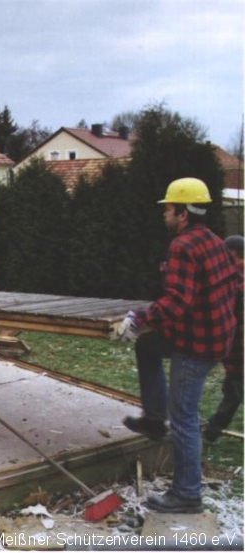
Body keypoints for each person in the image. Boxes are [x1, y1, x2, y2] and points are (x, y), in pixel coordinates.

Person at [115, 177, 238, 514]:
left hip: (197, 343)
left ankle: (187, 494)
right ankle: (154, 420)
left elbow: (178, 301)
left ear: (183, 213)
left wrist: (138, 318)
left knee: (184, 416)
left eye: (168, 208)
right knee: (148, 347)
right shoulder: (213, 240)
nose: (164, 213)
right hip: (214, 333)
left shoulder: (183, 246)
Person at [203, 235, 243, 443]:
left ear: (232, 253)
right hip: (237, 348)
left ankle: (212, 431)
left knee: (235, 390)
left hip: (238, 348)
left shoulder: (234, 280)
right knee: (233, 391)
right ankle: (212, 431)